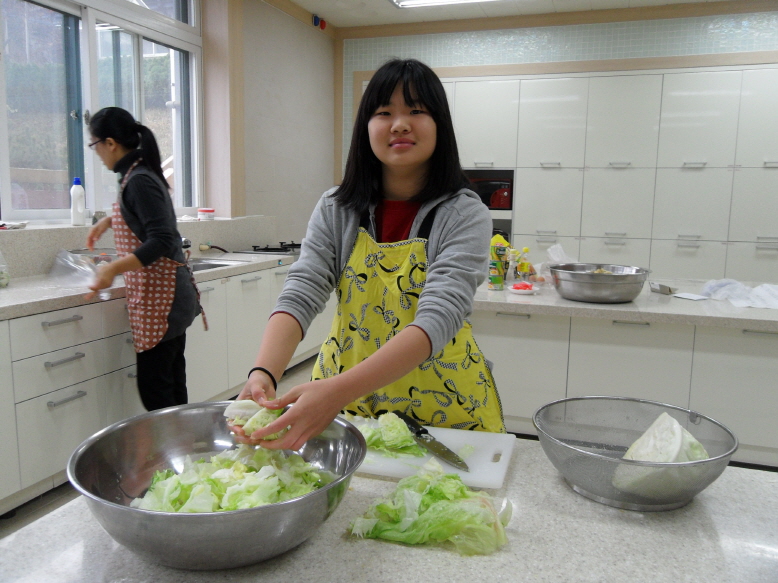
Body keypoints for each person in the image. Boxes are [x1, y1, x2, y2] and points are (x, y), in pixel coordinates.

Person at [232, 58, 505, 450]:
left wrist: (336, 392)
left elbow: (439, 316)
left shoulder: (465, 213)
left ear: (440, 125)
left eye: (416, 111)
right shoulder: (336, 207)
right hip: (351, 403)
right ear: (366, 128)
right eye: (384, 112)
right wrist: (264, 373)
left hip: (446, 409)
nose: (399, 124)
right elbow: (303, 290)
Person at [84, 107, 201, 411]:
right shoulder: (137, 174)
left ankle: (171, 453)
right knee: (171, 388)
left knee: (158, 393)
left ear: (110, 143)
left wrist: (112, 268)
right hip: (165, 298)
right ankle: (184, 451)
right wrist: (112, 219)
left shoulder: (138, 180)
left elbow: (162, 239)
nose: (96, 154)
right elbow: (149, 218)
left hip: (163, 301)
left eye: (94, 145)